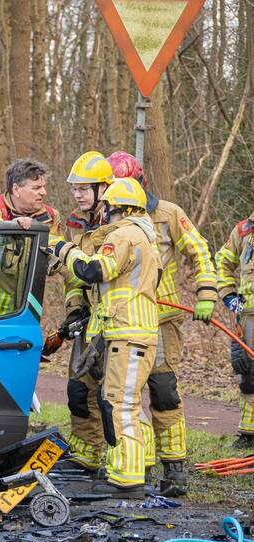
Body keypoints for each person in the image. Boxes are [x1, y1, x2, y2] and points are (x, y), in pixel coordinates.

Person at [108, 151, 217, 496]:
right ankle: (140, 465)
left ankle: (174, 467)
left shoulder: (168, 213)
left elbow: (199, 250)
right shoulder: (112, 217)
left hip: (162, 319)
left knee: (164, 391)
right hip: (126, 322)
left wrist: (207, 293)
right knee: (127, 396)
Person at [48, 177, 161, 498]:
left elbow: (93, 270)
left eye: (108, 208)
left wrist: (63, 248)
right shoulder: (144, 237)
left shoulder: (125, 234)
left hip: (129, 334)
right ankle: (125, 471)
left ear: (116, 208)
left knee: (120, 406)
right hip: (125, 332)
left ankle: (128, 480)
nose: (105, 215)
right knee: (119, 403)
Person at [56, 152, 119, 471]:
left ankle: (133, 461)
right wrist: (75, 309)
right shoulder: (76, 222)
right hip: (90, 319)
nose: (77, 194)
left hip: (119, 321)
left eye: (83, 188)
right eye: (74, 189)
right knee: (79, 388)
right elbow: (73, 275)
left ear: (103, 188)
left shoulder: (119, 223)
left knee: (116, 396)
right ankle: (86, 455)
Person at [0, 159, 61, 320]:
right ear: (16, 189)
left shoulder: (50, 217)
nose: (44, 192)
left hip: (25, 306)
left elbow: (55, 259)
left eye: (43, 187)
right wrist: (10, 227)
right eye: (37, 188)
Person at [215, 209, 254, 449]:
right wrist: (228, 294)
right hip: (249, 315)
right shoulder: (243, 229)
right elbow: (223, 261)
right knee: (249, 373)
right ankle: (249, 433)